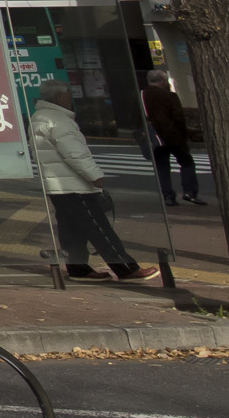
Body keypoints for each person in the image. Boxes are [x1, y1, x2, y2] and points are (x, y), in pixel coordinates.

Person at [29, 80, 151, 281]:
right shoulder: (58, 120)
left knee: (72, 229)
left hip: (56, 183)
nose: (71, 98)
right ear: (59, 97)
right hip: (74, 185)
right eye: (68, 94)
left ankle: (79, 269)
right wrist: (95, 176)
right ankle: (126, 268)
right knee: (98, 227)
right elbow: (74, 154)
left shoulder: (39, 117)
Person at [143, 73, 201, 207]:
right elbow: (179, 118)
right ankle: (189, 192)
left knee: (162, 167)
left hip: (153, 138)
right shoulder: (169, 96)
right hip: (172, 136)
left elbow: (135, 118)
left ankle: (168, 197)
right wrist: (184, 136)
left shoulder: (141, 97)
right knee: (187, 162)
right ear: (163, 81)